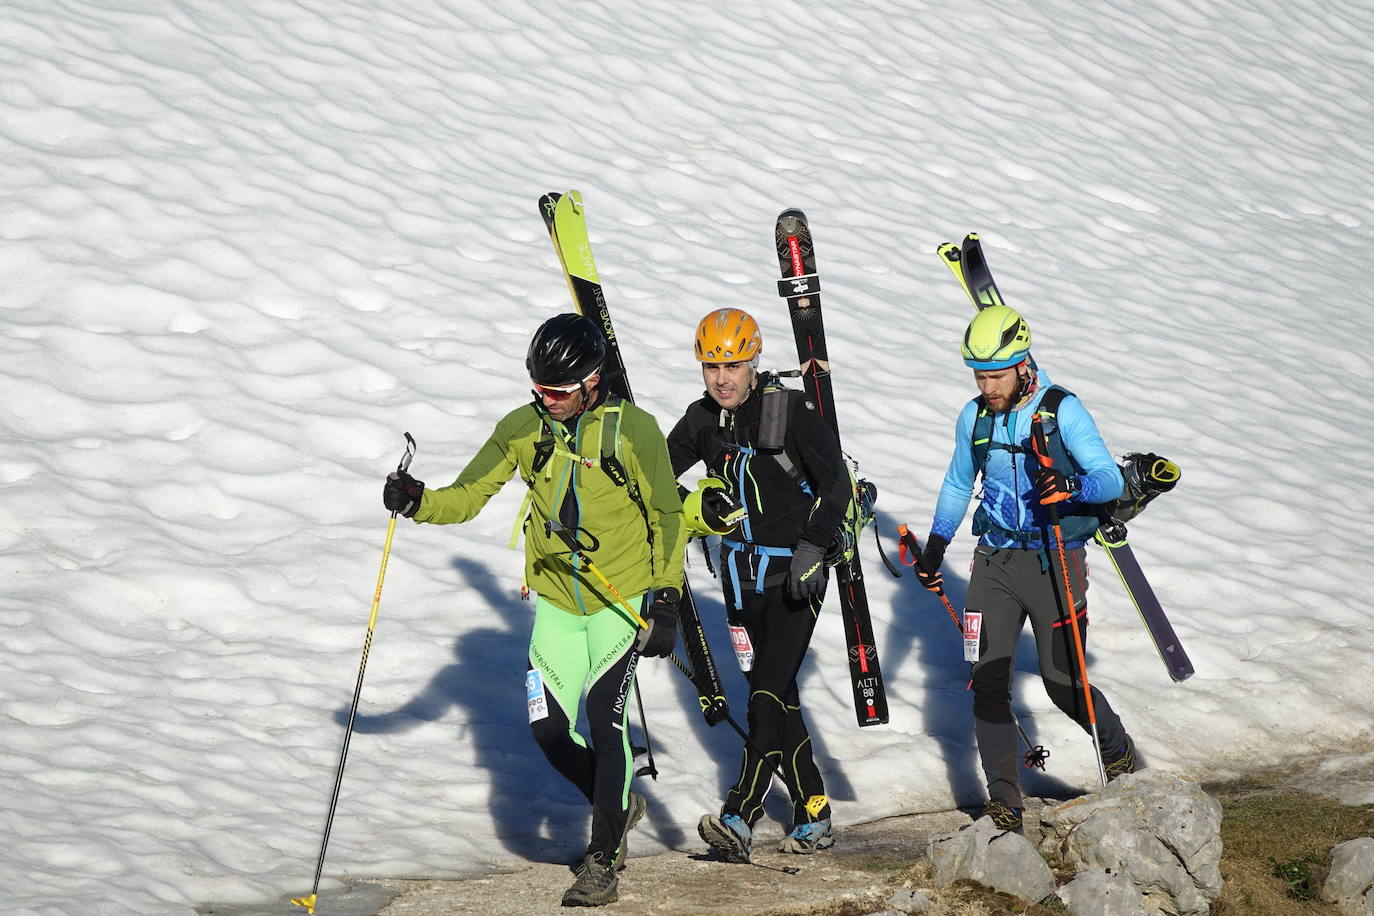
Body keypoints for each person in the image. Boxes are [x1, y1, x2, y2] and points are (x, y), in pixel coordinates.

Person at [382, 313, 686, 907]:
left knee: (606, 722)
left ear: (593, 382)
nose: (545, 402)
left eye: (558, 393)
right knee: (548, 730)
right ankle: (618, 803)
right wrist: (418, 501)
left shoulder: (633, 431)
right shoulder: (523, 428)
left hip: (617, 603)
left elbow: (667, 516)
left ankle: (602, 860)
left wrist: (667, 599)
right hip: (555, 603)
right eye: (538, 389)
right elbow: (468, 497)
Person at [915, 304, 1138, 834]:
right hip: (994, 560)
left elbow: (1107, 477)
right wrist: (935, 545)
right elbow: (956, 483)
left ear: (1022, 364)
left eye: (996, 375)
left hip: (1055, 558)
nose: (987, 386)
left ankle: (1118, 752)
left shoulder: (1062, 410)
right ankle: (1005, 802)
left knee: (1064, 682)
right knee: (987, 680)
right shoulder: (974, 417)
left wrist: (1072, 488)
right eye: (979, 376)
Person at [666, 307, 849, 861]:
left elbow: (836, 484)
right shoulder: (702, 420)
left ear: (754, 361)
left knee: (767, 694)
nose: (722, 378)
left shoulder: (789, 411)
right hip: (740, 583)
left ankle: (739, 815)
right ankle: (814, 811)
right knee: (777, 698)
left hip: (796, 576)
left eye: (734, 364)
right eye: (711, 366)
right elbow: (657, 482)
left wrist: (814, 548)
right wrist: (694, 505)